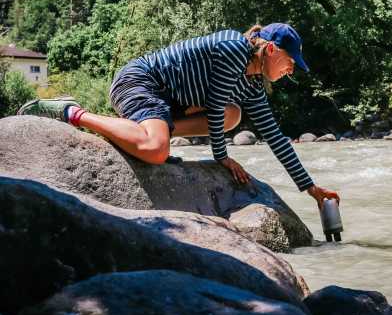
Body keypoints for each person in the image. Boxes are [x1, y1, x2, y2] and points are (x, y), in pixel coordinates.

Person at [18, 23, 340, 209]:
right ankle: (71, 112)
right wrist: (221, 157)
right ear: (270, 49)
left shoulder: (252, 85)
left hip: (167, 103)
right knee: (157, 152)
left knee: (233, 115)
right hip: (140, 82)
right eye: (289, 61)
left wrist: (310, 188)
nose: (290, 69)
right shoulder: (233, 48)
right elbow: (212, 104)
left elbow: (274, 136)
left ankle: (139, 132)